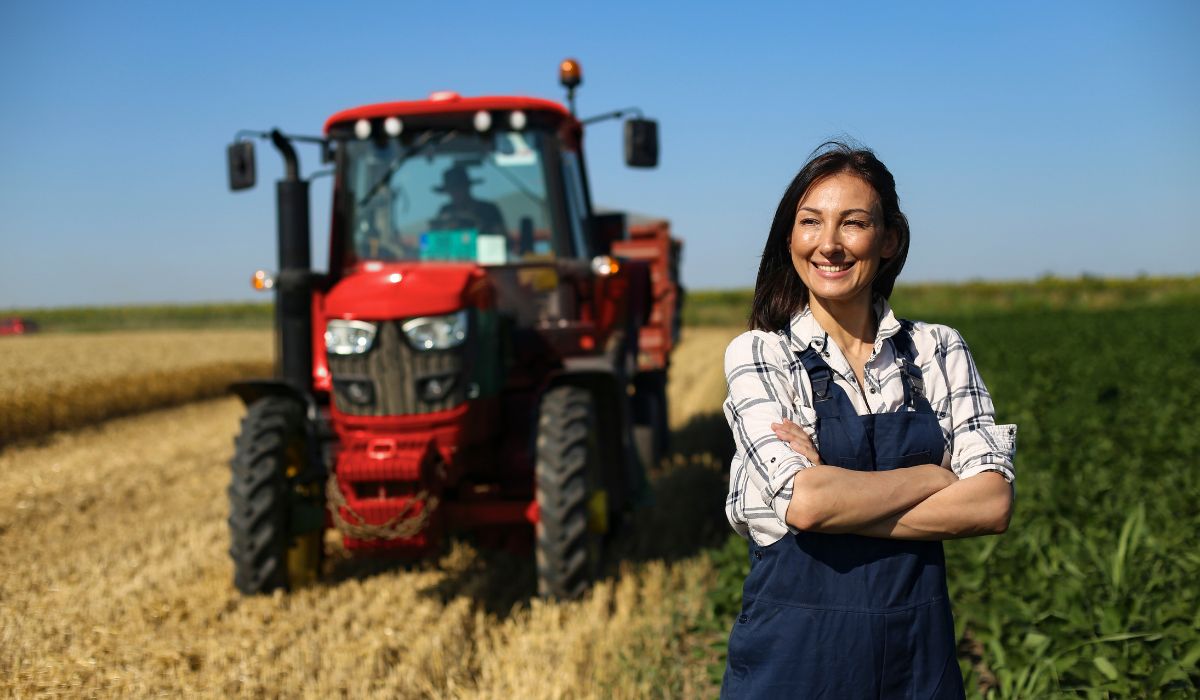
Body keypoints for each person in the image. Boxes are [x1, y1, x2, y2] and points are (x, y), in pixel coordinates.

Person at [720, 142, 1016, 698]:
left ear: (889, 240)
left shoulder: (938, 350)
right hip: (793, 667)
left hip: (916, 666)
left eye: (853, 223)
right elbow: (807, 503)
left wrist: (836, 501)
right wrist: (932, 478)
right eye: (811, 222)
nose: (829, 243)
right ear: (790, 236)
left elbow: (990, 504)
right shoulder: (761, 354)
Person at [430, 164, 507, 237]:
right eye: (452, 189)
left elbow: (501, 236)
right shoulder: (445, 211)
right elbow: (437, 235)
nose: (455, 193)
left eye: (459, 188)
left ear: (467, 187)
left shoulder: (488, 210)